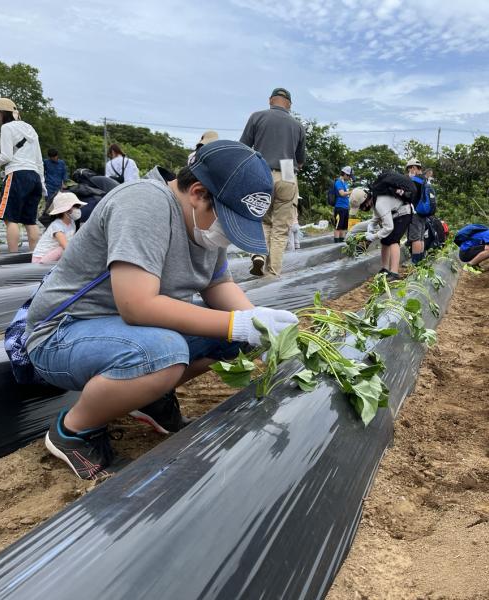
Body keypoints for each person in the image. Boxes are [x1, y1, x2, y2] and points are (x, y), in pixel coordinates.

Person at [26, 140, 298, 480]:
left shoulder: (201, 226)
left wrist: (261, 326)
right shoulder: (145, 204)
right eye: (228, 223)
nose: (227, 237)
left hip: (125, 333)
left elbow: (217, 286)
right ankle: (72, 431)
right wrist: (237, 323)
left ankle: (150, 397)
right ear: (198, 193)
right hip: (62, 334)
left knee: (238, 338)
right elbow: (137, 306)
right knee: (165, 354)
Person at [240, 87, 306, 277]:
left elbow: (243, 148)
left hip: (261, 172)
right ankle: (273, 272)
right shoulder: (297, 126)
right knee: (280, 228)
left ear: (270, 100)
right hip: (287, 173)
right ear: (290, 105)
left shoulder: (257, 117)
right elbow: (300, 160)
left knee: (261, 219)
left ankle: (258, 253)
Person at [0, 98, 45, 253]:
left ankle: (13, 258)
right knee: (30, 221)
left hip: (17, 175)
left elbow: (6, 156)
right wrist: (42, 183)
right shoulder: (30, 128)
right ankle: (35, 258)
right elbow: (39, 159)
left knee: (10, 219)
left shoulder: (7, 128)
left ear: (2, 112)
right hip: (35, 177)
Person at [353, 185, 412, 281]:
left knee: (393, 240)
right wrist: (371, 225)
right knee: (385, 240)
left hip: (404, 213)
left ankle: (394, 273)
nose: (362, 209)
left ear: (364, 203)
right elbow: (377, 216)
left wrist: (373, 236)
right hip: (395, 214)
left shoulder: (379, 202)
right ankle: (385, 269)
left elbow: (388, 227)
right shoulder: (375, 199)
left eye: (361, 207)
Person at [31, 192, 86, 264]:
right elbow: (65, 246)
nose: (77, 210)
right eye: (74, 207)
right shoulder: (57, 226)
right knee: (63, 248)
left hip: (55, 256)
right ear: (65, 211)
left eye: (77, 207)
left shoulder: (72, 223)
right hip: (40, 260)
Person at [406, 158, 428, 264]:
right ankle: (420, 260)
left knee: (415, 238)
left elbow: (410, 194)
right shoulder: (424, 179)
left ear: (414, 168)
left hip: (415, 212)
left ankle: (415, 262)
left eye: (409, 169)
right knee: (421, 237)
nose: (408, 172)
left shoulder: (415, 180)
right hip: (423, 211)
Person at [333, 166, 353, 243]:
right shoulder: (338, 182)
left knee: (344, 227)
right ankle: (336, 244)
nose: (349, 178)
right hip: (339, 207)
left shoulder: (345, 183)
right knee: (338, 227)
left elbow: (347, 194)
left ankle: (341, 244)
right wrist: (352, 191)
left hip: (345, 208)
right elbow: (342, 193)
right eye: (348, 176)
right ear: (345, 174)